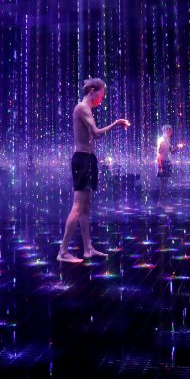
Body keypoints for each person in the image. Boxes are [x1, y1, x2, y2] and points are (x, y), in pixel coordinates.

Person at [57, 78, 130, 263]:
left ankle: (88, 248)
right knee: (77, 206)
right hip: (82, 160)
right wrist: (116, 123)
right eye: (101, 94)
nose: (101, 99)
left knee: (86, 206)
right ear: (92, 90)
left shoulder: (87, 109)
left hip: (88, 159)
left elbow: (93, 136)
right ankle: (63, 252)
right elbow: (96, 133)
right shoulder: (82, 107)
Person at [156, 125, 173, 203]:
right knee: (162, 181)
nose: (171, 132)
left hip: (167, 162)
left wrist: (178, 147)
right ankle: (161, 198)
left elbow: (171, 152)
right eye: (170, 131)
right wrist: (160, 166)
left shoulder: (168, 140)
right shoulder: (161, 140)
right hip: (162, 162)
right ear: (167, 131)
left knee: (165, 180)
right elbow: (158, 154)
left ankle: (164, 197)